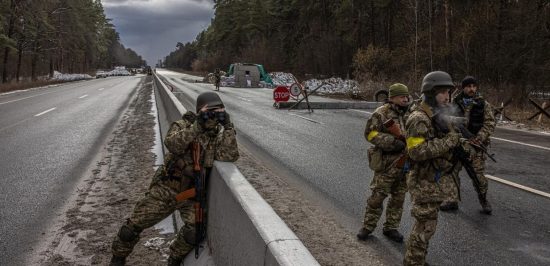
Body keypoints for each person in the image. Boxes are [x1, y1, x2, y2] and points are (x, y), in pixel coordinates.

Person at [110, 92, 239, 266]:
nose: (214, 114)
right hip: (166, 189)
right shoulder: (183, 125)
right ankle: (118, 258)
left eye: (219, 110)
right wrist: (197, 126)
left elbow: (229, 156)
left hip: (191, 194)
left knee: (194, 232)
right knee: (131, 228)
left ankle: (174, 259)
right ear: (200, 110)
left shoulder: (216, 137)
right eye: (211, 110)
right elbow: (172, 144)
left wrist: (229, 127)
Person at [403, 71, 463, 266]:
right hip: (423, 181)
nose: (447, 97)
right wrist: (449, 142)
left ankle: (418, 258)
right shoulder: (419, 118)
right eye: (443, 92)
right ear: (430, 92)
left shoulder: (436, 114)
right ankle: (413, 262)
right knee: (424, 227)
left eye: (448, 92)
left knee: (428, 226)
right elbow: (416, 151)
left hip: (432, 181)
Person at [357, 83, 411, 243]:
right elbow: (370, 133)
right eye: (402, 96)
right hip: (387, 163)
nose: (406, 99)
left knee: (398, 198)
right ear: (392, 97)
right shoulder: (381, 114)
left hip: (404, 163)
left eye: (407, 96)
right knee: (377, 197)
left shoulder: (411, 114)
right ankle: (368, 226)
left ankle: (391, 227)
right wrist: (393, 141)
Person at [439, 76, 495, 214]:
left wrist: (479, 138)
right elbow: (446, 122)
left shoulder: (483, 104)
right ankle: (451, 200)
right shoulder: (454, 103)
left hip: (476, 146)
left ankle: (484, 200)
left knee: (478, 176)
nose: (472, 89)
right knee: (449, 171)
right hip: (457, 144)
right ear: (463, 88)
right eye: (469, 86)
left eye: (474, 86)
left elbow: (489, 123)